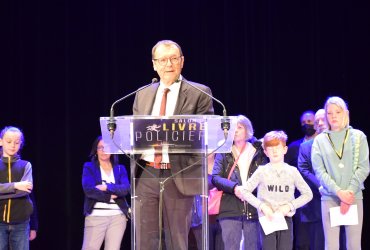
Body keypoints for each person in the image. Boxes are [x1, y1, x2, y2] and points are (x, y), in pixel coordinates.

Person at [132, 40, 214, 250]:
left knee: (177, 240)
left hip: (179, 173)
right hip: (146, 173)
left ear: (182, 61)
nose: (168, 64)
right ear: (154, 64)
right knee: (144, 240)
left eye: (173, 59)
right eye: (162, 60)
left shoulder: (200, 92)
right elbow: (134, 133)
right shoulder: (143, 93)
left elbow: (205, 134)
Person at [235, 130, 313, 250]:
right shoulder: (262, 171)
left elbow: (308, 194)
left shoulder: (292, 171)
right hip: (267, 219)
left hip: (286, 218)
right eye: (270, 148)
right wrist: (262, 206)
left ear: (285, 149)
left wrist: (290, 206)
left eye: (277, 147)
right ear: (265, 152)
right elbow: (245, 191)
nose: (274, 151)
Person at [311, 96, 369, 250]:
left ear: (346, 113)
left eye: (338, 112)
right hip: (330, 197)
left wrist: (348, 193)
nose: (334, 116)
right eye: (329, 113)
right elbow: (319, 171)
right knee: (331, 245)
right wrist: (338, 192)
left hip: (353, 196)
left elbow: (364, 167)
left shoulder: (358, 136)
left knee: (354, 245)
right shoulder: (319, 141)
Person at [211, 115, 268, 250]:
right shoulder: (223, 151)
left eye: (239, 127)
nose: (235, 131)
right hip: (230, 208)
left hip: (253, 208)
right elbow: (216, 178)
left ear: (247, 130)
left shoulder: (258, 151)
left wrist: (247, 190)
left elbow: (265, 175)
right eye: (232, 128)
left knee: (253, 247)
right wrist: (235, 188)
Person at [81, 136, 130, 250]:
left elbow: (125, 189)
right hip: (95, 216)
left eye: (107, 147)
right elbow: (89, 190)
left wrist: (105, 187)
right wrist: (109, 196)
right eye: (100, 148)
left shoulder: (120, 169)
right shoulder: (89, 167)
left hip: (118, 218)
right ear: (96, 150)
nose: (103, 151)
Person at [285, 110, 316, 250]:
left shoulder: (324, 144)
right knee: (302, 240)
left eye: (309, 122)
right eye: (303, 123)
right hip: (301, 199)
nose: (306, 125)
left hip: (320, 196)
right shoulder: (294, 147)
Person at [297, 109, 326, 250]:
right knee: (317, 242)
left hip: (340, 202)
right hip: (315, 204)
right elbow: (303, 170)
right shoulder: (305, 147)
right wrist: (323, 187)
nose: (320, 124)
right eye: (317, 122)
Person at [0, 126, 34, 250]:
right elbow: (19, 189)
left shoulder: (25, 165)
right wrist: (16, 185)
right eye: (9, 141)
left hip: (21, 222)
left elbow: (25, 191)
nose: (13, 145)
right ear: (1, 141)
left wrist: (3, 189)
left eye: (17, 142)